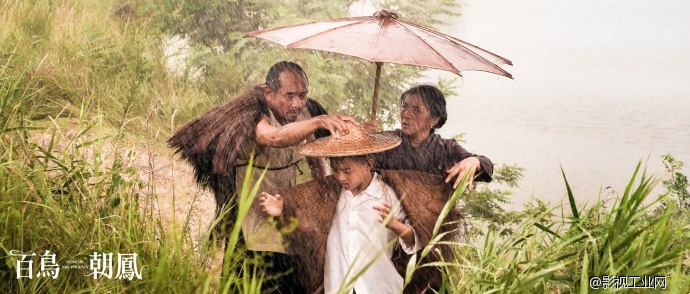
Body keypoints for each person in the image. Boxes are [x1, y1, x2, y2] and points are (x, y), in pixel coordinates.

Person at [168, 61, 356, 293]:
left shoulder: (307, 113)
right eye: (289, 96)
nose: (297, 103)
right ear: (269, 93)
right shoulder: (255, 116)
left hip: (286, 222)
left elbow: (317, 154)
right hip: (251, 229)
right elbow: (274, 137)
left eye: (302, 95)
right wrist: (318, 122)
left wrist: (322, 194)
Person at [255, 122, 463, 293]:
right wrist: (282, 212)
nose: (341, 177)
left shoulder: (388, 195)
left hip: (379, 286)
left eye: (347, 170)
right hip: (338, 285)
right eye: (335, 170)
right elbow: (307, 229)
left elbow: (414, 241)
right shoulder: (329, 194)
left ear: (368, 164)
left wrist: (395, 225)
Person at [365, 84, 494, 190]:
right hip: (388, 215)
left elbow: (486, 164)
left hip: (430, 219)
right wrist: (363, 138)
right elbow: (361, 167)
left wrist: (474, 162)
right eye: (404, 106)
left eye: (416, 110)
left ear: (433, 120)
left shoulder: (445, 149)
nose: (406, 114)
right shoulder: (389, 141)